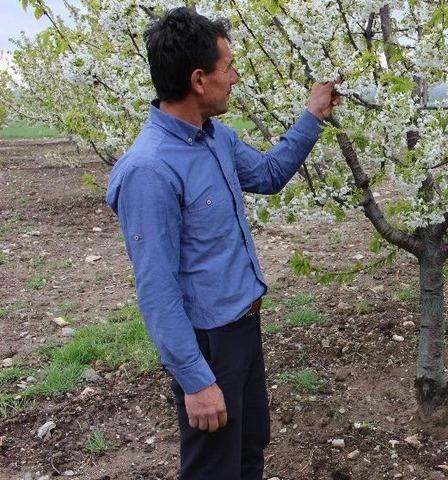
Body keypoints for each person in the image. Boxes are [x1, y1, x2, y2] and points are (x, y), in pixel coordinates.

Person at [105, 7, 339, 479]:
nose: (234, 77)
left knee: (250, 448)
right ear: (198, 80)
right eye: (227, 67)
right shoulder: (149, 170)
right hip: (207, 342)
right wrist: (195, 380)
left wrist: (312, 116)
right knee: (213, 467)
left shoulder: (217, 139)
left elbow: (270, 175)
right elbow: (156, 289)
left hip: (243, 325)